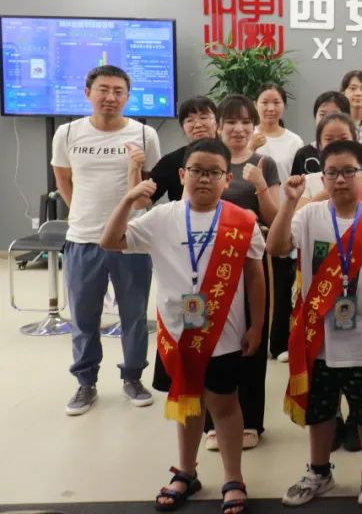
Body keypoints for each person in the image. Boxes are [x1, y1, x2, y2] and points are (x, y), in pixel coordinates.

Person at [101, 138, 265, 514]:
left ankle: (233, 477)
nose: (204, 178)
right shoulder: (161, 217)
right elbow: (110, 241)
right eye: (196, 171)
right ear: (181, 174)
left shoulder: (243, 221)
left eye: (213, 172)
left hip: (225, 334)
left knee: (224, 405)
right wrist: (128, 200)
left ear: (227, 178)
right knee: (187, 404)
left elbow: (256, 275)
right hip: (176, 335)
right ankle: (186, 472)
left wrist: (257, 325)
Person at [271, 140, 362, 506]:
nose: (340, 179)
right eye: (332, 173)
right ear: (322, 177)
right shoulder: (309, 216)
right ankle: (319, 471)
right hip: (317, 336)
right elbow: (277, 247)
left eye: (348, 172)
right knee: (320, 409)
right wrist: (289, 202)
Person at [52, 64, 161, 416]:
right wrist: (85, 214)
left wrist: (133, 171)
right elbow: (63, 180)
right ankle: (86, 383)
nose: (110, 97)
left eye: (118, 91)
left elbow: (147, 194)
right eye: (103, 89)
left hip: (131, 240)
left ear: (128, 97)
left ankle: (133, 377)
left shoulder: (144, 134)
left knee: (134, 315)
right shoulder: (68, 133)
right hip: (83, 238)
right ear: (88, 93)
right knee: (84, 317)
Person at [208, 94, 280, 450]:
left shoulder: (264, 163)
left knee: (251, 340)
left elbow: (276, 219)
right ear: (219, 127)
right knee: (213, 340)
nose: (238, 129)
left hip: (251, 265)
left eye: (245, 122)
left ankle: (251, 420)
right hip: (210, 265)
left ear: (253, 127)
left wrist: (259, 185)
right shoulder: (209, 160)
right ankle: (212, 422)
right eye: (231, 122)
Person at [254, 84, 305, 362]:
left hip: (284, 214)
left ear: (283, 106)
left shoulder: (294, 141)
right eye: (265, 102)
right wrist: (251, 147)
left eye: (276, 102)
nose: (270, 108)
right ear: (256, 105)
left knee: (283, 280)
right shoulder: (248, 135)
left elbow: (298, 179)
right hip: (254, 215)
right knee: (256, 279)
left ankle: (279, 342)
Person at [151, 96, 218, 203]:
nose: (198, 125)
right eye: (190, 120)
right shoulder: (171, 161)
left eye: (203, 118)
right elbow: (143, 201)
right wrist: (135, 168)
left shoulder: (230, 155)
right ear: (182, 127)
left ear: (217, 122)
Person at [291, 91, 351, 177]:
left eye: (334, 115)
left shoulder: (355, 153)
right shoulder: (303, 154)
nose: (328, 119)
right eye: (322, 114)